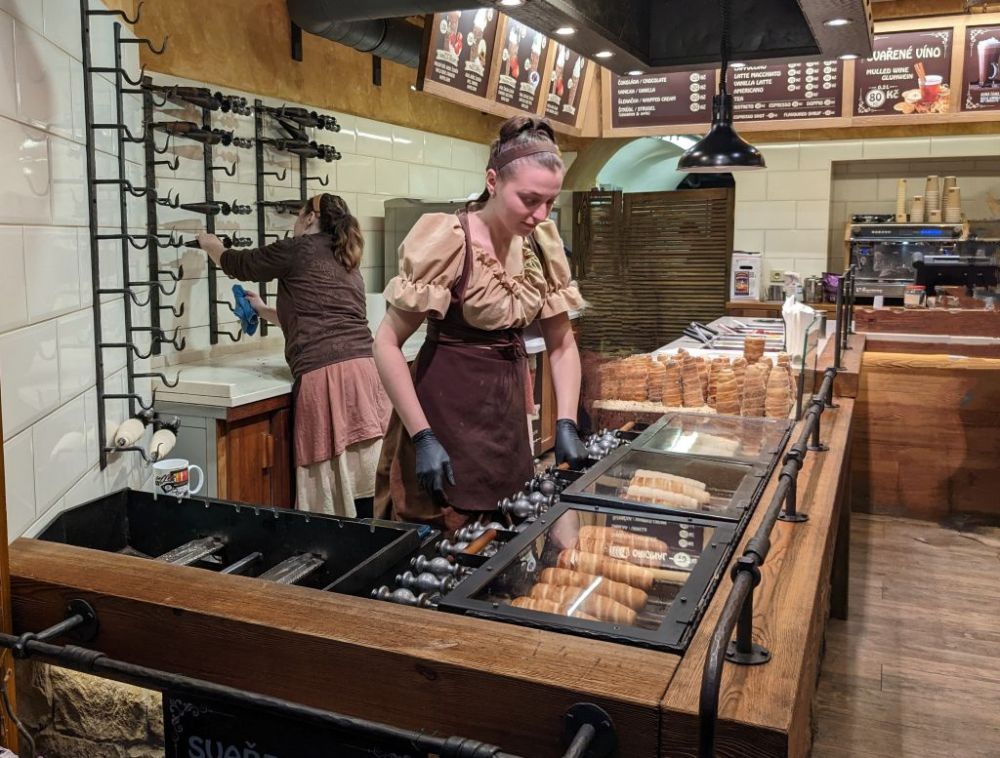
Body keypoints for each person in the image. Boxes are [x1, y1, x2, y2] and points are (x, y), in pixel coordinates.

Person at [373, 116, 589, 535]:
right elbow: (385, 343)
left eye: (549, 201)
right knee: (444, 542)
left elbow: (562, 344)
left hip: (504, 418)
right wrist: (421, 436)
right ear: (493, 181)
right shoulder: (449, 241)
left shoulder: (540, 246)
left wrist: (566, 422)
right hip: (442, 416)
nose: (540, 214)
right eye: (529, 199)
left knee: (500, 531)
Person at [196, 194, 390, 517]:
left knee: (330, 481)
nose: (296, 223)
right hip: (366, 372)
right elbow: (315, 316)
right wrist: (262, 310)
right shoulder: (344, 256)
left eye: (298, 215)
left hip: (326, 375)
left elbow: (240, 264)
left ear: (310, 217)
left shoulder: (298, 248)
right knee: (365, 474)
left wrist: (211, 245)